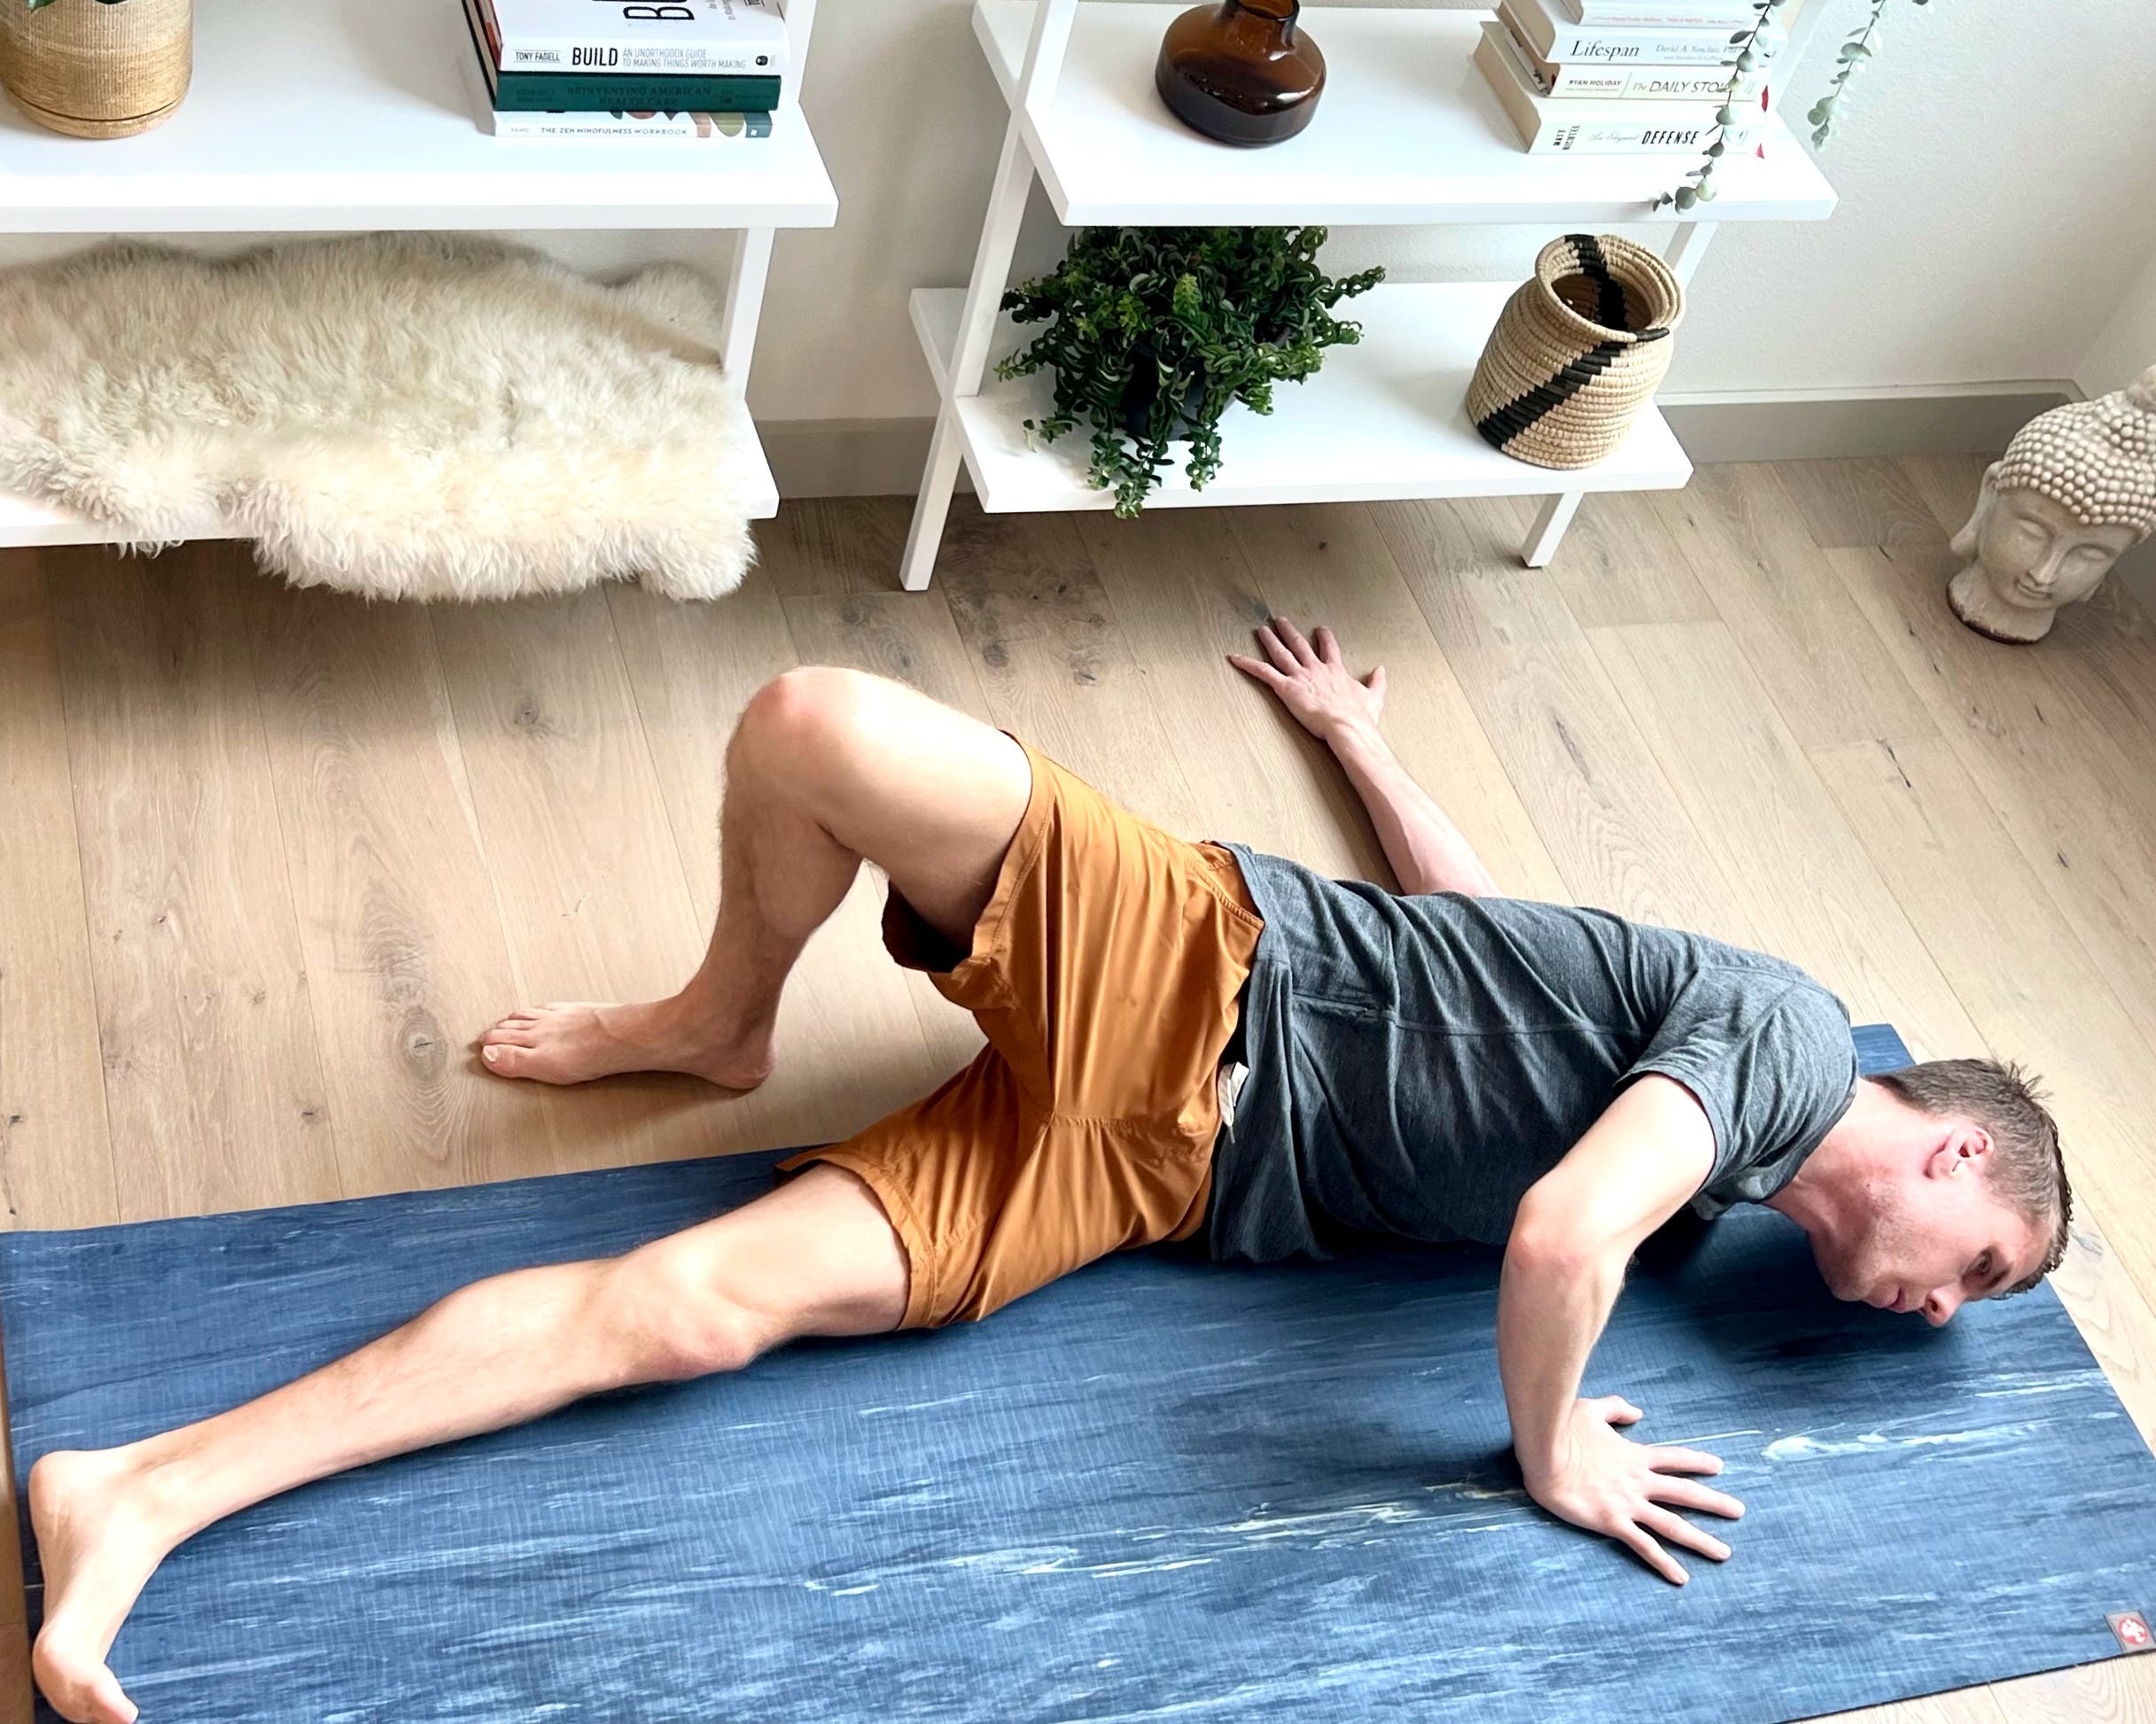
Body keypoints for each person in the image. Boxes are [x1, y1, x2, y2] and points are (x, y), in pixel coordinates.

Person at [26, 621, 2072, 1724]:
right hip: (1196, 955)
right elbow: (1556, 1232)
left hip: (1136, 1171)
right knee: (814, 720)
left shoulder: (1718, 1172)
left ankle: (135, 1493)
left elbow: (1500, 922)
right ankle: (722, 1010)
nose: (1939, 1306)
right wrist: (1547, 1457)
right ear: (1955, 1147)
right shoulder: (1792, 1052)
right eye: (1978, 1268)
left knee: (679, 1314)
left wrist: (1360, 740)